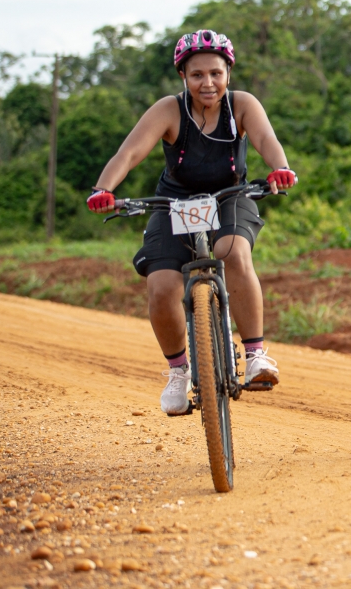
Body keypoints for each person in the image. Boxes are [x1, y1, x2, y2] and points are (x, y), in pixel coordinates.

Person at [86, 29, 298, 415]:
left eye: (216, 73)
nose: (208, 83)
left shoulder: (242, 105)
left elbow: (267, 139)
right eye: (197, 75)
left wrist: (280, 168)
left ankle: (255, 356)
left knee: (232, 254)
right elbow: (129, 153)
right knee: (161, 286)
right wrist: (104, 189)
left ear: (228, 74)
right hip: (174, 202)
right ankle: (178, 372)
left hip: (230, 196)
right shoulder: (169, 110)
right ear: (183, 76)